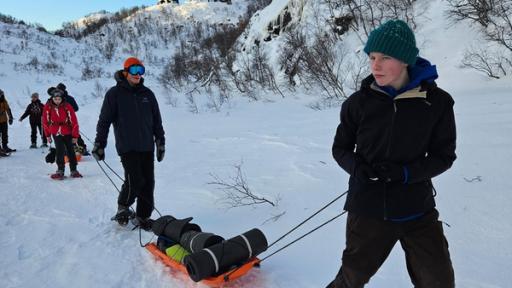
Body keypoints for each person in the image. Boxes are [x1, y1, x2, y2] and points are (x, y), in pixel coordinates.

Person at [328, 20, 456, 288]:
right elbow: (340, 149)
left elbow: (444, 155)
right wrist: (358, 168)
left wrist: (407, 173)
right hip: (368, 209)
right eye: (372, 57)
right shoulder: (358, 104)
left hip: (417, 209)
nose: (375, 65)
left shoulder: (437, 103)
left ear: (406, 60)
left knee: (439, 281)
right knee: (350, 280)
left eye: (385, 57)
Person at [92, 57, 165, 229]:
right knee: (135, 180)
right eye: (134, 71)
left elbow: (157, 121)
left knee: (148, 183)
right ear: (125, 72)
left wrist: (160, 142)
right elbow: (104, 121)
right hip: (127, 146)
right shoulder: (114, 94)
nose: (137, 75)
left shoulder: (148, 94)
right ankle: (123, 206)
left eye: (141, 71)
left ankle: (143, 216)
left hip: (146, 146)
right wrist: (99, 144)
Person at [42, 87, 83, 180]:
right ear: (52, 98)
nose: (57, 101)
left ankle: (74, 170)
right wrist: (47, 135)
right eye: (55, 99)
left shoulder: (67, 106)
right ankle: (60, 170)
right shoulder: (48, 107)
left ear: (61, 98)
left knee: (70, 151)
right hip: (55, 132)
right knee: (59, 151)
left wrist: (75, 135)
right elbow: (45, 121)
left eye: (59, 99)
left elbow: (74, 121)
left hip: (67, 131)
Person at [56, 82, 89, 155]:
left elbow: (76, 108)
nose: (58, 91)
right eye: (57, 90)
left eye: (60, 90)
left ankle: (83, 149)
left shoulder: (70, 98)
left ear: (63, 90)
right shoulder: (56, 99)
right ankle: (66, 151)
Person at [0, 89, 15, 153]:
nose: (1, 95)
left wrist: (10, 117)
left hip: (3, 120)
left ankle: (5, 146)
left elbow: (8, 109)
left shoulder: (3, 100)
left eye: (1, 94)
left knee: (4, 134)